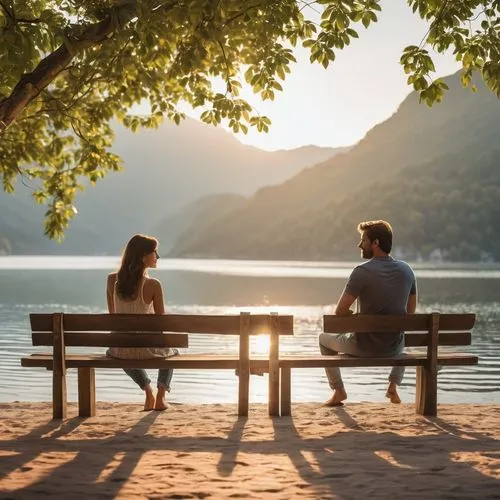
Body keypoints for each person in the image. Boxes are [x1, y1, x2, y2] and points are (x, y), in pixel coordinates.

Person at [319, 220, 417, 406]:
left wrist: (355, 317)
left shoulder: (361, 272)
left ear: (375, 243)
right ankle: (393, 385)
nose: (360, 244)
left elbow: (339, 311)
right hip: (393, 348)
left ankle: (338, 390)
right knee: (401, 334)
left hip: (363, 348)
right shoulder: (407, 271)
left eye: (363, 239)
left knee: (323, 338)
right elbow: (410, 314)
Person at [106, 234, 177, 411]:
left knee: (120, 348)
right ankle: (160, 397)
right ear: (142, 256)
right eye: (155, 252)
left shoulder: (111, 281)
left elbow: (113, 318)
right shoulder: (153, 285)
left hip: (121, 350)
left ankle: (147, 392)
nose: (157, 256)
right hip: (147, 349)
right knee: (172, 351)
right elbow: (162, 324)